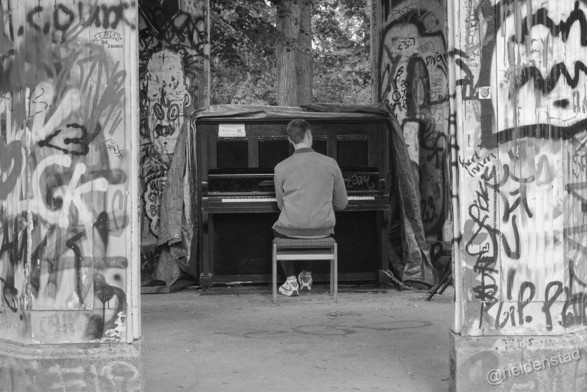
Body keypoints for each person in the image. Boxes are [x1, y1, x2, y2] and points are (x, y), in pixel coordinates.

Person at [273, 119, 348, 296]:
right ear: (309, 136)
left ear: (290, 140)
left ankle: (291, 280)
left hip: (291, 228)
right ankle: (306, 275)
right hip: (323, 229)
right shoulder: (331, 163)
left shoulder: (280, 167)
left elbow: (280, 205)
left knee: (279, 228)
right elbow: (342, 204)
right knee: (316, 229)